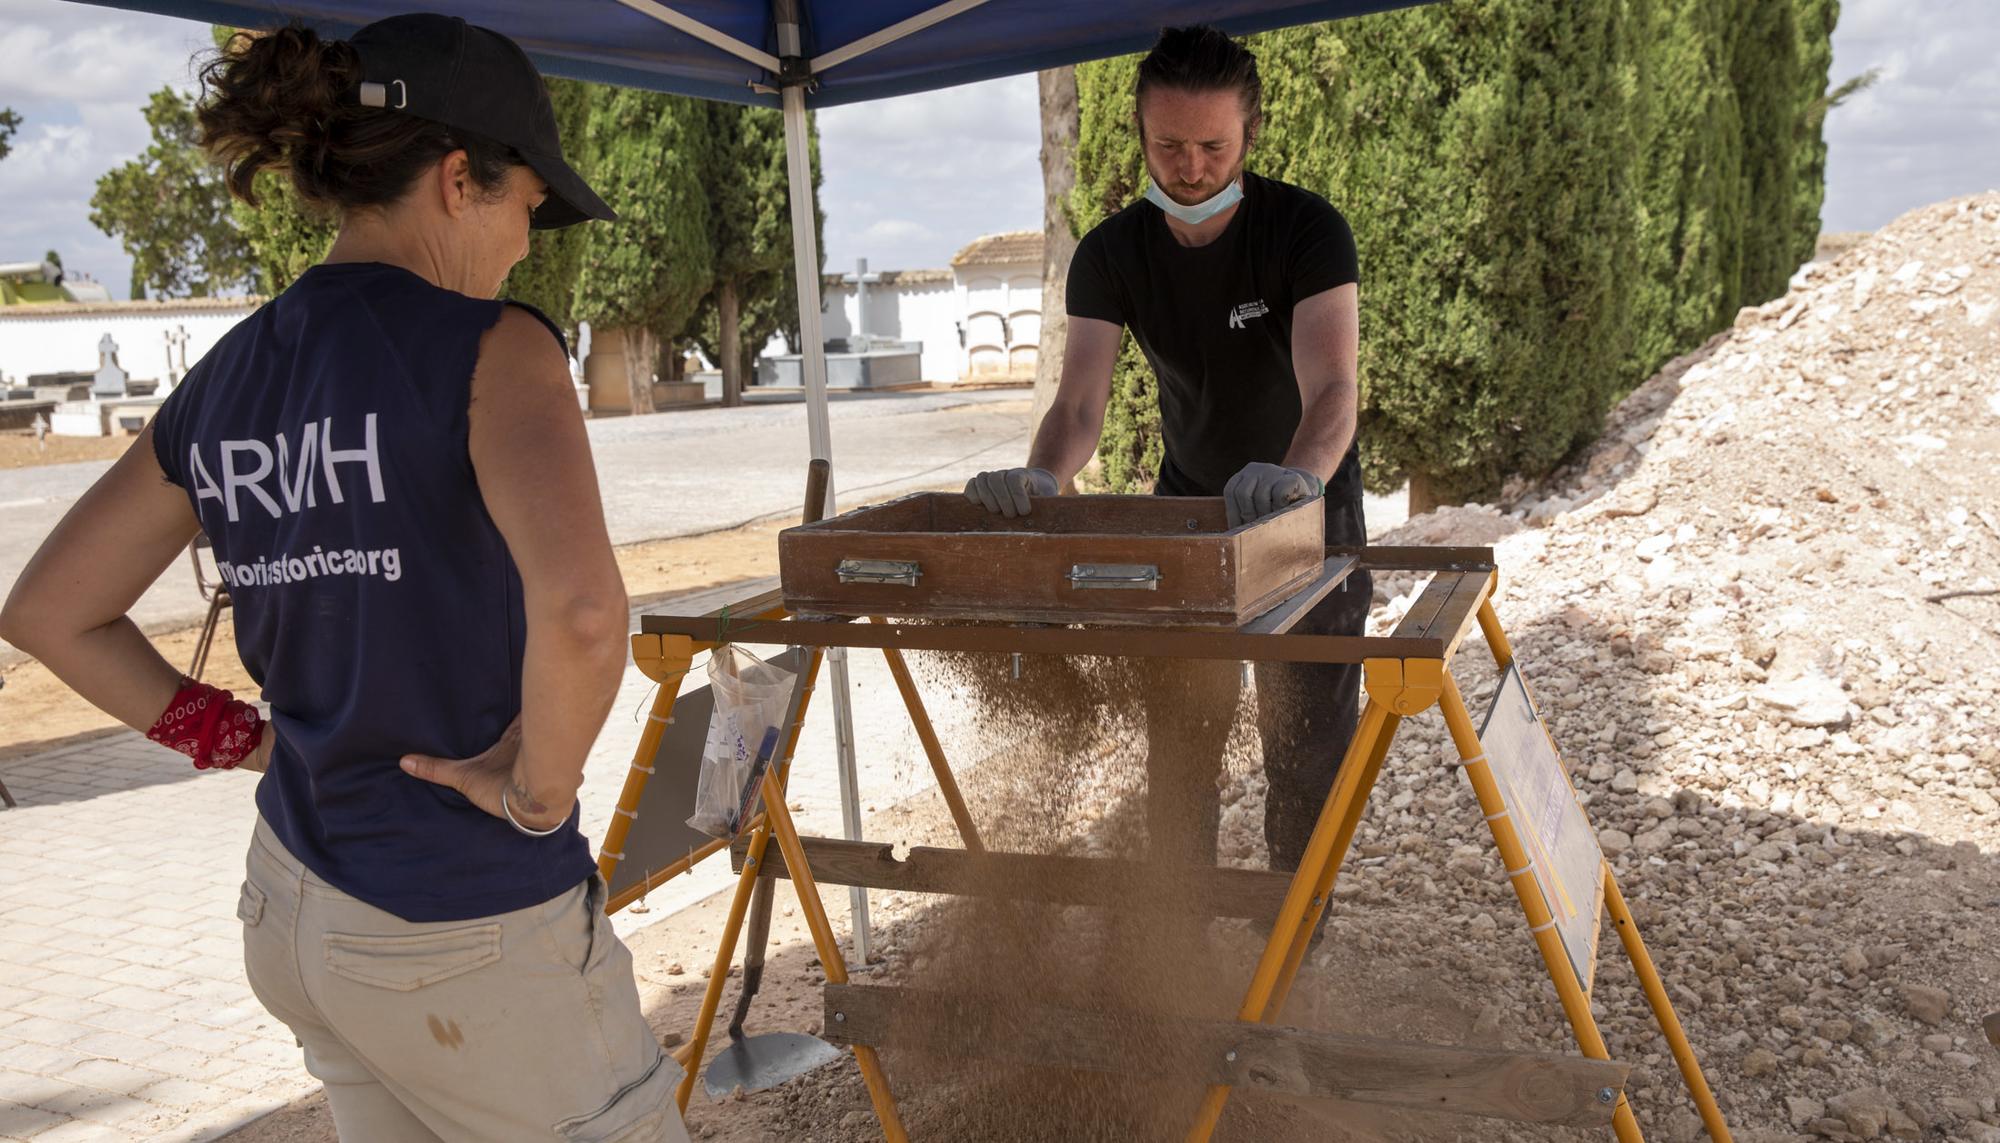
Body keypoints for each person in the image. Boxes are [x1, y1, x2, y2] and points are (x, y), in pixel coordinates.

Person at [2, 15, 690, 1141]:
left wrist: (239, 740)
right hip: (460, 919)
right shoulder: (492, 346)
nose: (528, 240)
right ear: (460, 178)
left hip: (296, 902)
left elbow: (48, 612)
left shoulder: (224, 376)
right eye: (525, 204)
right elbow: (581, 614)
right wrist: (539, 794)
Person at [965, 25, 1372, 882]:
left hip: (1310, 515)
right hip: (1192, 514)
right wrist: (1046, 473)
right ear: (1142, 136)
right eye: (1170, 146)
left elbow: (1334, 388)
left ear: (1250, 136)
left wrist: (1297, 481)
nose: (1190, 167)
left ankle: (1289, 961)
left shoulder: (1306, 231)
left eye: (1213, 147)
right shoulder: (1112, 254)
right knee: (1182, 748)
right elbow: (1079, 402)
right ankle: (1177, 952)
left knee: (1304, 760)